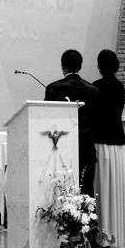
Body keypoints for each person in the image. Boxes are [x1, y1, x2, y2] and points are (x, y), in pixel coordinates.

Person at [44, 50, 99, 197]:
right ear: (80, 65)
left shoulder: (53, 88)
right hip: (87, 147)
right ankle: (88, 219)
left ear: (63, 66)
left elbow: (47, 119)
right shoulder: (94, 91)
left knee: (62, 189)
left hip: (62, 148)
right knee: (86, 189)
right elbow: (97, 120)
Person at [92, 50, 125, 248]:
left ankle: (102, 235)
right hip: (118, 143)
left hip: (101, 142)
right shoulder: (120, 88)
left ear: (99, 65)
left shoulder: (96, 87)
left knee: (102, 187)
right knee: (116, 187)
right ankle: (117, 232)